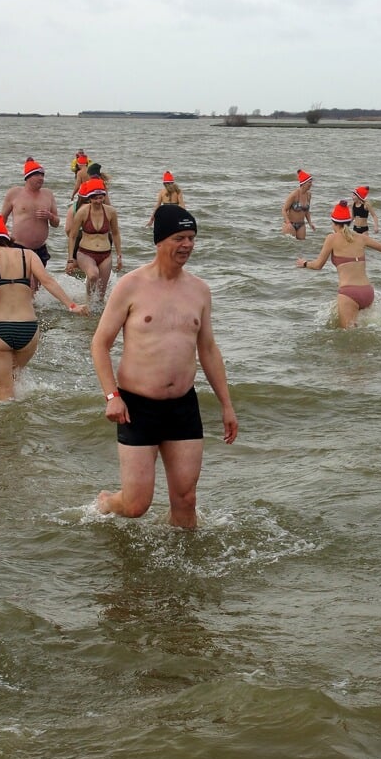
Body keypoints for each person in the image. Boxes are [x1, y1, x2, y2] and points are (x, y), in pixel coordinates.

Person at [92, 205, 238, 528]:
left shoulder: (199, 290)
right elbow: (99, 344)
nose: (187, 245)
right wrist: (111, 396)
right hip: (136, 407)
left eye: (191, 238)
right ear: (160, 241)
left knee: (186, 503)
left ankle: (181, 574)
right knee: (135, 505)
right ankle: (106, 502)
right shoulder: (131, 286)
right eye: (179, 238)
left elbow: (209, 350)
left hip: (183, 407)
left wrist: (227, 405)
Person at [0, 213, 87, 402]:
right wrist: (72, 305)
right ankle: (23, 428)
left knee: (4, 392)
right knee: (15, 379)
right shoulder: (27, 254)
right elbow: (47, 281)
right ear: (6, 237)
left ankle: (5, 431)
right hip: (29, 330)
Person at [295, 200, 381, 326]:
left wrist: (304, 263)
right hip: (368, 292)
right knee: (362, 329)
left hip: (349, 293)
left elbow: (318, 265)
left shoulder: (331, 238)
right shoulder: (361, 237)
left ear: (334, 223)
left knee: (348, 337)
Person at [67, 177, 123, 306]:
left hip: (105, 254)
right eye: (95, 198)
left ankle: (94, 319)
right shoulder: (82, 212)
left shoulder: (111, 212)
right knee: (93, 275)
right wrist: (70, 259)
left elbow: (115, 233)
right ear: (90, 198)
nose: (98, 201)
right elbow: (72, 236)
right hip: (85, 252)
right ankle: (87, 300)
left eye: (101, 197)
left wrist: (119, 256)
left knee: (100, 297)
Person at [0, 158, 60, 266]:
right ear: (28, 177)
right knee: (21, 281)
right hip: (19, 247)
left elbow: (56, 223)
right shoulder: (14, 193)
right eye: (37, 175)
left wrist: (50, 216)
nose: (41, 178)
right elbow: (2, 219)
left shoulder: (48, 194)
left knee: (36, 282)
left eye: (42, 175)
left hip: (40, 248)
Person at [282, 169, 316, 239]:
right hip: (290, 224)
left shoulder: (308, 195)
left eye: (311, 182)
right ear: (303, 184)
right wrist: (288, 223)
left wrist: (310, 223)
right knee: (291, 247)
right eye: (309, 182)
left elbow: (306, 211)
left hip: (301, 225)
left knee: (301, 247)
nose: (311, 184)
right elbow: (284, 210)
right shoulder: (294, 195)